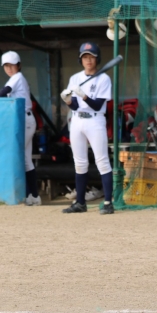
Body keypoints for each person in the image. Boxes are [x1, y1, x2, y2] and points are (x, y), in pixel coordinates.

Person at [0, 51, 39, 205]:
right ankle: (34, 197)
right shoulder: (14, 79)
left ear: (19, 65)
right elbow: (1, 96)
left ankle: (26, 195)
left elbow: (2, 94)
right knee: (26, 160)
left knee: (16, 156)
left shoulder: (17, 77)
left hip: (25, 119)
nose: (9, 68)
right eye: (6, 66)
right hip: (24, 120)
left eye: (12, 65)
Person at [60, 42, 114, 215]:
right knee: (80, 162)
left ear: (97, 59)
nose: (88, 60)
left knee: (102, 161)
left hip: (95, 120)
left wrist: (83, 95)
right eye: (85, 57)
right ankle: (80, 203)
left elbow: (97, 105)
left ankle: (108, 203)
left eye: (91, 57)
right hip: (77, 120)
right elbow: (75, 106)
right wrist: (68, 100)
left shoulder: (103, 79)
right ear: (81, 60)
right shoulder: (75, 78)